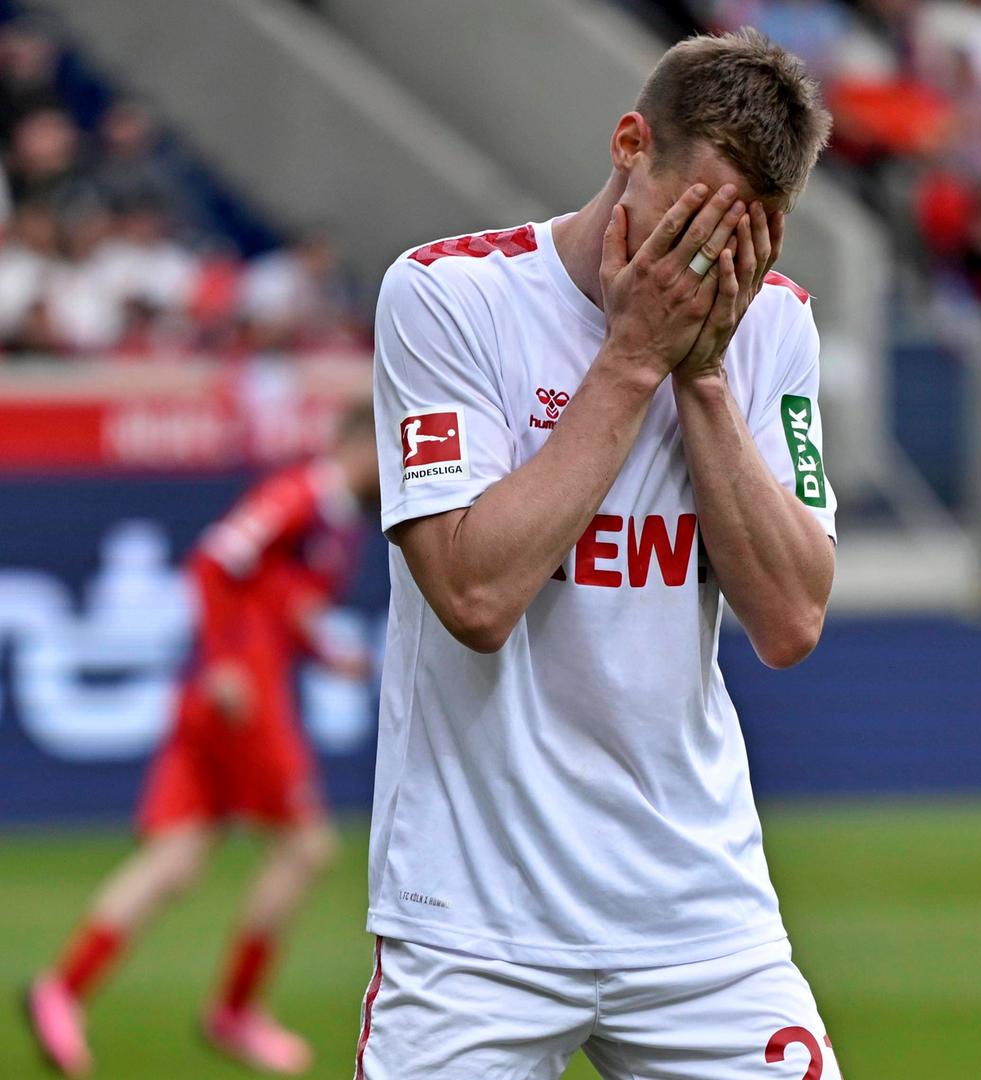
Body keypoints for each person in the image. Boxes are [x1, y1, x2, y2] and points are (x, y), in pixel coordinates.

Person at [355, 30, 840, 1079]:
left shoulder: (773, 325)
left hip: (697, 918)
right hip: (474, 922)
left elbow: (792, 622)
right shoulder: (449, 299)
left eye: (749, 236)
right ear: (630, 144)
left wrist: (705, 378)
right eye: (695, 219)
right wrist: (631, 359)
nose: (713, 263)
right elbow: (475, 593)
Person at [25, 403, 380, 1078]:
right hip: (240, 693)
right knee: (306, 846)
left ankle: (62, 990)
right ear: (359, 444)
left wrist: (326, 655)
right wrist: (220, 660)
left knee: (178, 858)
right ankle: (235, 1009)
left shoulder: (335, 525)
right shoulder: (300, 495)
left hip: (229, 690)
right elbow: (214, 561)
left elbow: (281, 602)